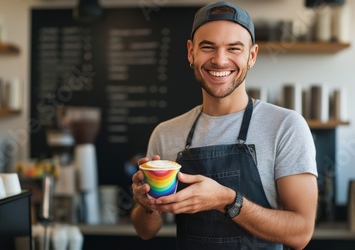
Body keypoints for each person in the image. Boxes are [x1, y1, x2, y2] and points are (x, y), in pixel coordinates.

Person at [130, 1, 318, 249]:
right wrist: (146, 205)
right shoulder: (166, 133)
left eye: (234, 48)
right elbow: (146, 231)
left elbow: (301, 233)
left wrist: (227, 201)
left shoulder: (285, 127)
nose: (220, 60)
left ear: (252, 56)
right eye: (208, 47)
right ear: (191, 53)